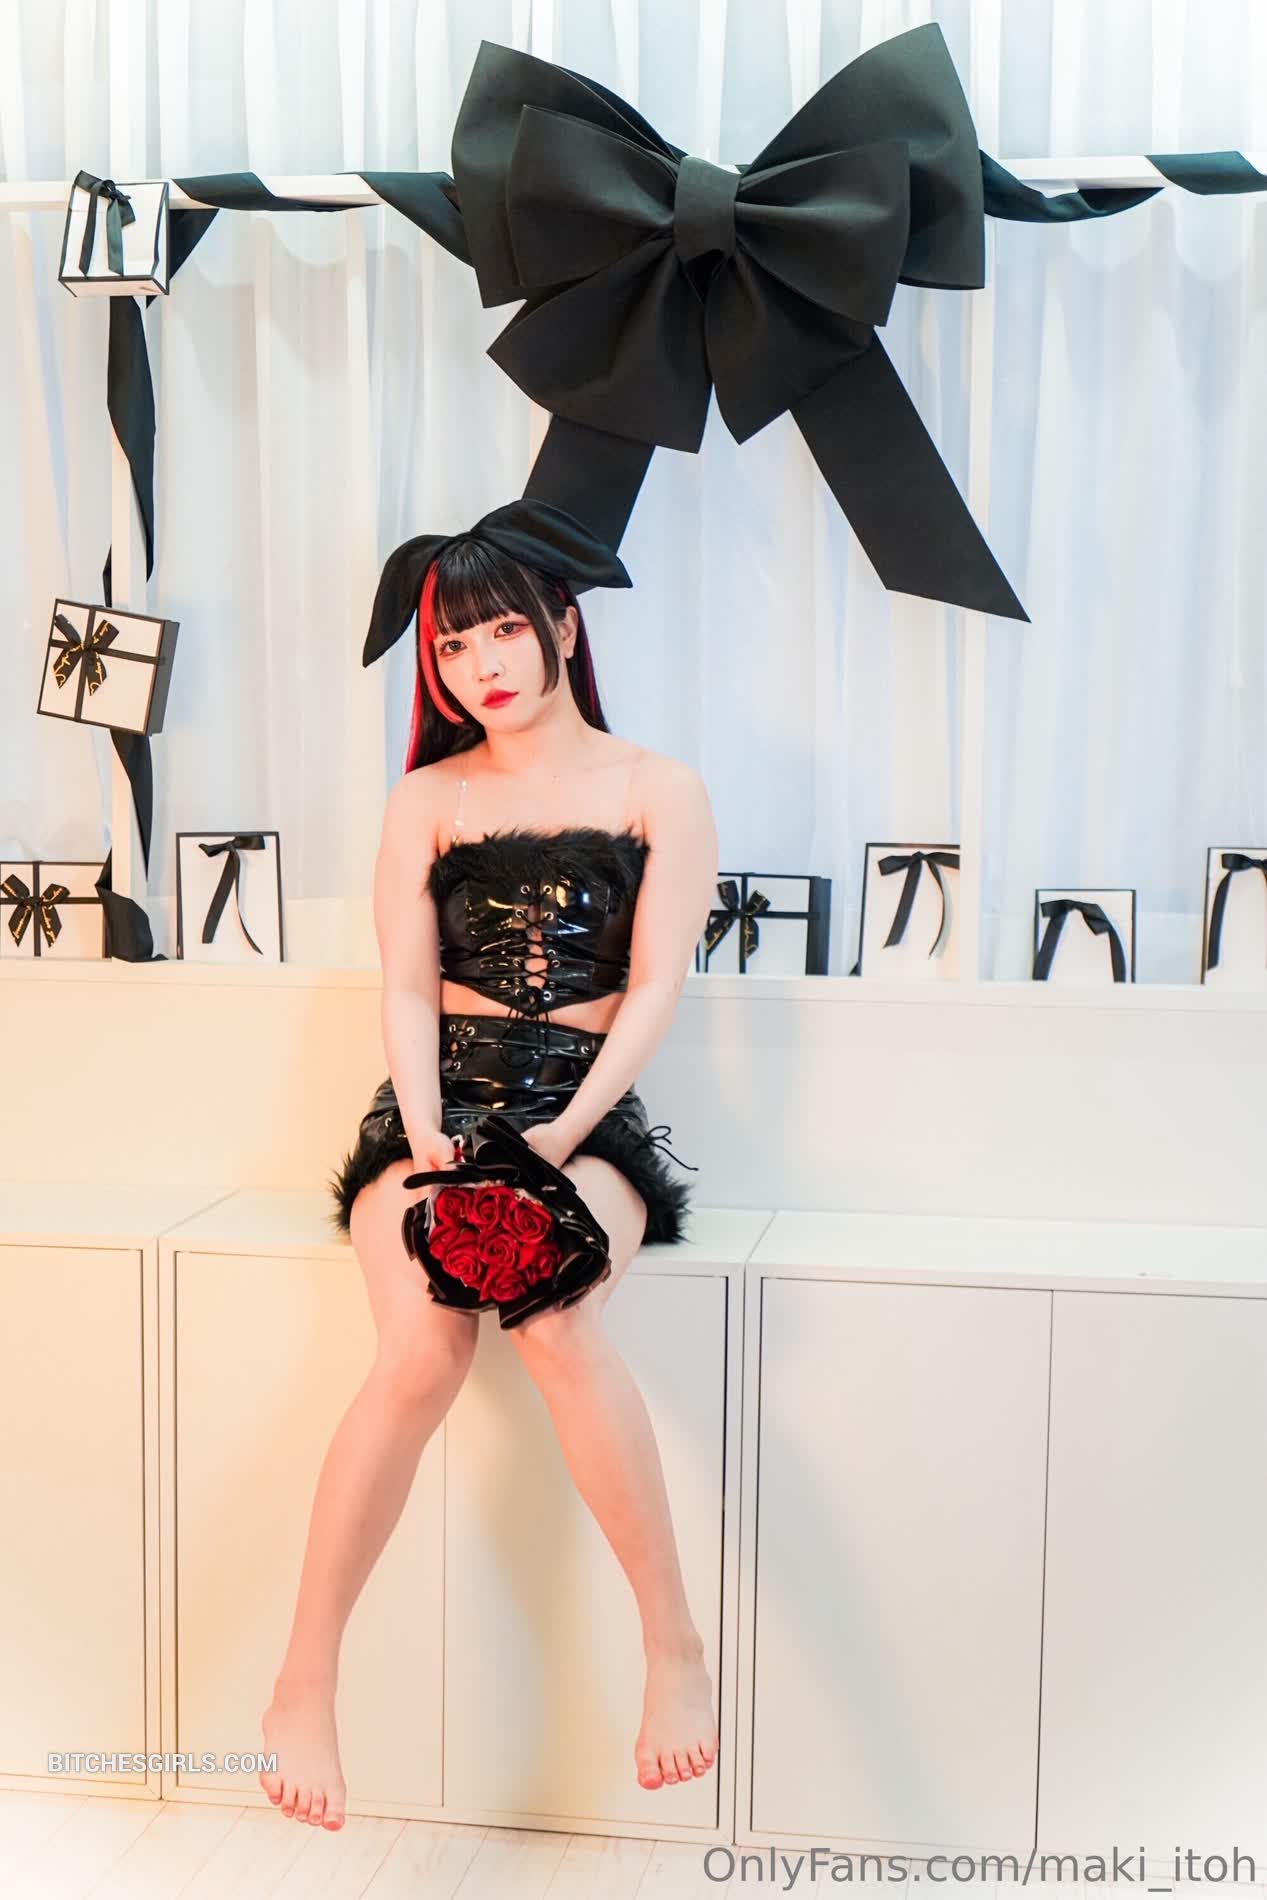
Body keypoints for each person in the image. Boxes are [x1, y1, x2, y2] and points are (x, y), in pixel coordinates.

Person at [259, 503, 721, 1830]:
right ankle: (303, 1681)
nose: (482, 666)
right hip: (438, 1103)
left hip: (587, 1111)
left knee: (557, 1320)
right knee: (421, 1351)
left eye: (505, 630)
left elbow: (655, 987)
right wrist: (423, 1129)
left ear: (564, 627)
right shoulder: (426, 799)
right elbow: (409, 986)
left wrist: (562, 1134)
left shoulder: (659, 789)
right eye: (453, 647)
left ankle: (674, 1650)